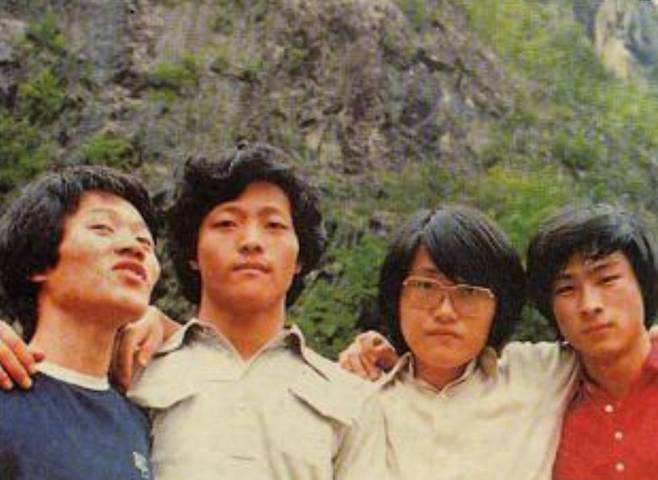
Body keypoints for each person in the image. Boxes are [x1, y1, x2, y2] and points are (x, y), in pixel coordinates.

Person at [124, 143, 384, 479]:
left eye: (274, 225)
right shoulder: (133, 365)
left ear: (299, 258)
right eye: (227, 223)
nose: (251, 241)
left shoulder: (350, 397)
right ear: (192, 253)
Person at [344, 205, 579, 479]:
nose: (445, 312)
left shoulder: (539, 375)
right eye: (426, 286)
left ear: (499, 306)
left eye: (469, 291)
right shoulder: (357, 397)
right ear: (396, 297)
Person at [0, 166, 160, 479]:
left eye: (145, 240)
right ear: (38, 262)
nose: (134, 247)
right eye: (102, 228)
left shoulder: (139, 421)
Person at [526, 204, 658, 480]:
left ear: (643, 285)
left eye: (607, 279)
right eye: (566, 289)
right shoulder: (543, 397)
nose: (589, 305)